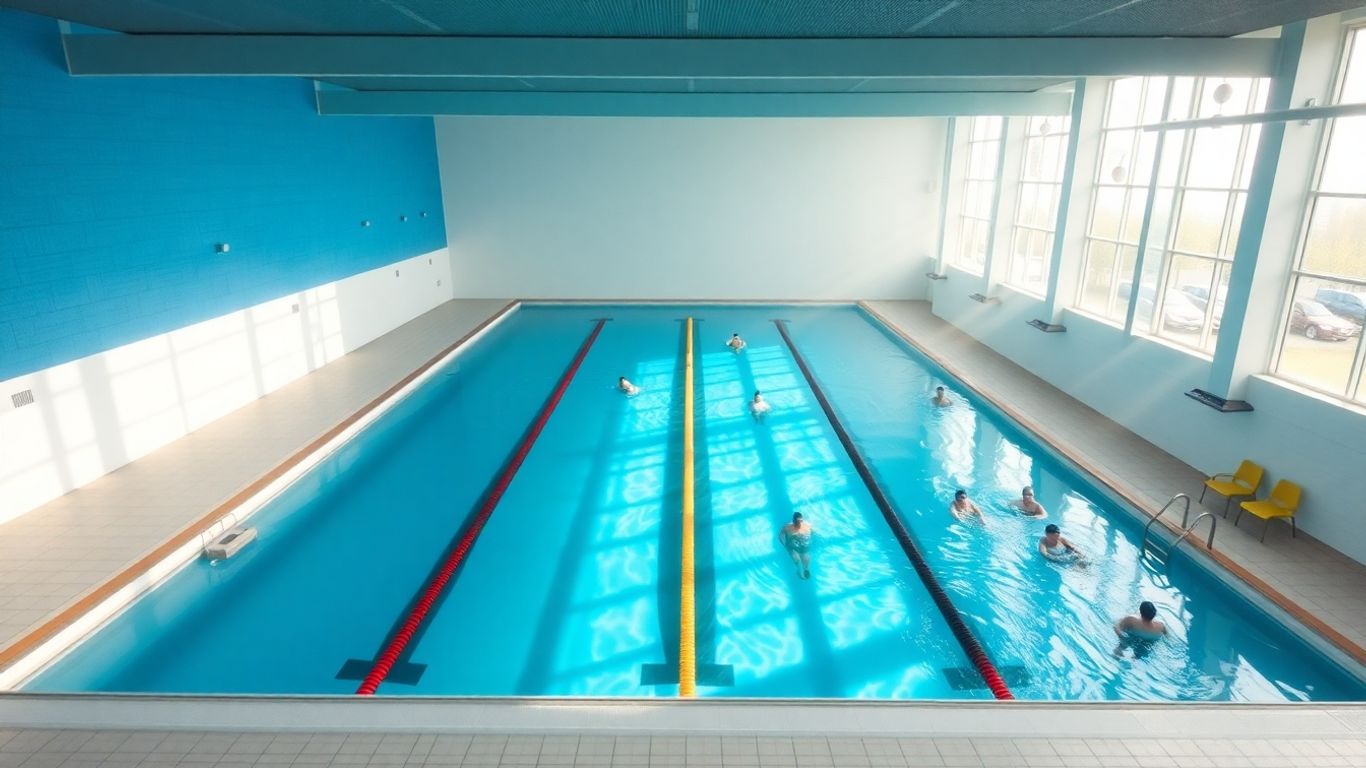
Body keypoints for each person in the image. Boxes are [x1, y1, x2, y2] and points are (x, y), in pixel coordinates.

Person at [779, 512, 813, 580]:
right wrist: (784, 543)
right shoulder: (787, 528)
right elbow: (781, 535)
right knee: (797, 559)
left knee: (805, 555)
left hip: (803, 545)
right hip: (793, 547)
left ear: (802, 520)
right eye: (797, 522)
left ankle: (805, 569)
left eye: (800, 521)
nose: (799, 523)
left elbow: (812, 533)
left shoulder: (807, 526)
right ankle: (800, 570)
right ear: (793, 521)